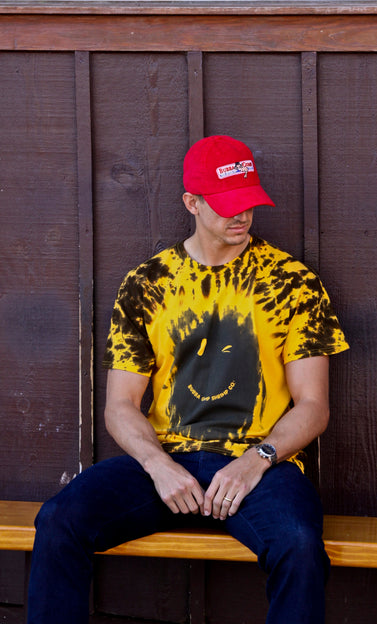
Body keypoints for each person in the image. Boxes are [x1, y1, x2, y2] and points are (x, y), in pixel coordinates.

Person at [27, 135, 349, 624]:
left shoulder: (292, 282)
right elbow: (120, 405)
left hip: (257, 463)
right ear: (191, 203)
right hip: (167, 460)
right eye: (227, 205)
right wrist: (157, 464)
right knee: (58, 520)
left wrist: (255, 461)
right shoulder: (147, 284)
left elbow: (313, 405)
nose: (241, 216)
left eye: (249, 204)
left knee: (300, 544)